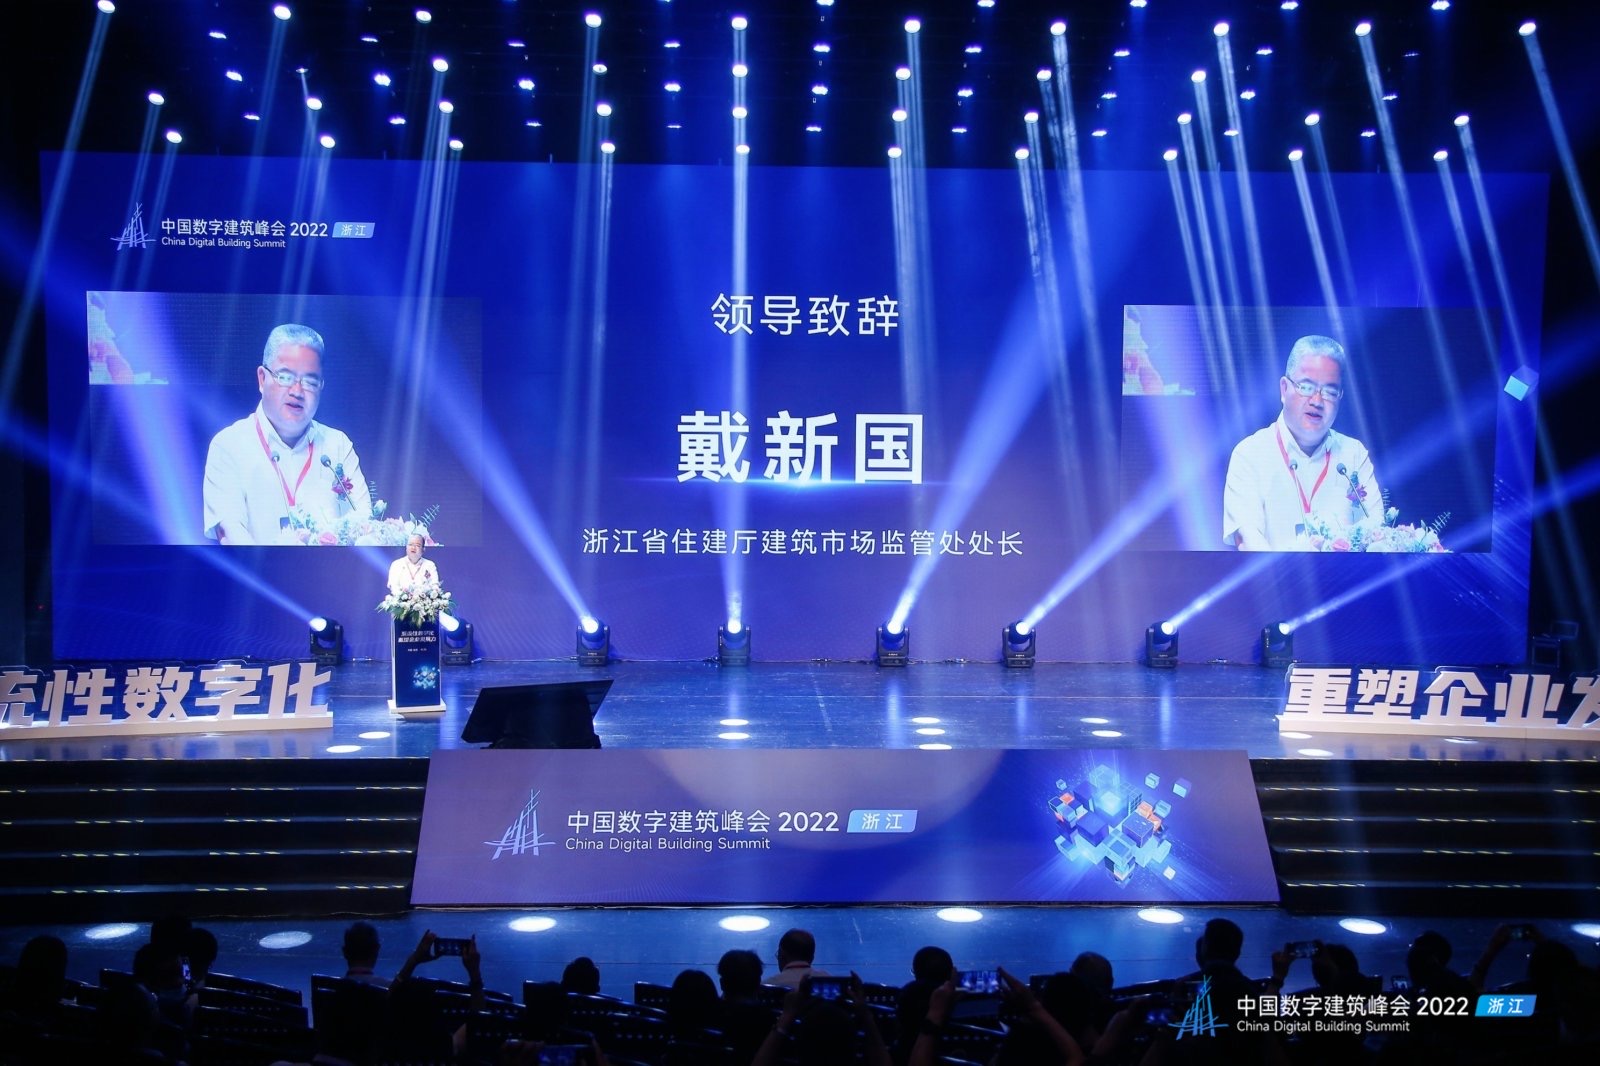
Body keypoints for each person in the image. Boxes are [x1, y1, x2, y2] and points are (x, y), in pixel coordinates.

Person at [203, 323, 370, 544]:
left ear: (321, 386)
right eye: (285, 377)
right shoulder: (229, 446)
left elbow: (365, 526)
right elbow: (230, 533)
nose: (297, 391)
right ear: (262, 379)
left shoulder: (337, 445)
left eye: (310, 382)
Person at [1222, 335, 1382, 550]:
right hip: (1278, 573)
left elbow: (1376, 533)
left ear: (1340, 397)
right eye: (1306, 387)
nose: (1317, 401)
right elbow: (1248, 540)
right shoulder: (1250, 454)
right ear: (1284, 389)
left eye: (1330, 392)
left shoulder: (1353, 454)